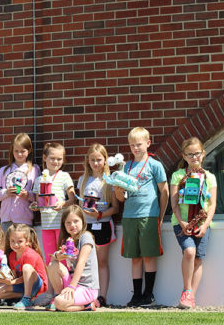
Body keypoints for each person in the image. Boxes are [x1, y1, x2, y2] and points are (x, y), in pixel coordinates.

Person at [114, 127, 169, 307]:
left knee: (148, 256)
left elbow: (164, 192)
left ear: (148, 143)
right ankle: (136, 295)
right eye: (132, 145)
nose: (135, 148)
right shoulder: (126, 167)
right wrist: (118, 191)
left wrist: (160, 216)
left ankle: (149, 294)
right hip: (130, 216)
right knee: (135, 257)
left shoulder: (155, 165)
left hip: (149, 215)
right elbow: (121, 197)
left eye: (138, 144)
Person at [169, 137, 217, 309]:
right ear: (184, 156)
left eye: (197, 154)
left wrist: (205, 225)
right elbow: (174, 203)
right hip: (181, 222)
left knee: (197, 259)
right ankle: (187, 290)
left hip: (202, 223)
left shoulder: (210, 177)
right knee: (189, 252)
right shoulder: (178, 176)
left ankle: (191, 297)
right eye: (190, 154)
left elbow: (212, 204)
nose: (194, 157)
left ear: (203, 154)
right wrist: (182, 223)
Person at [76, 143, 119, 307]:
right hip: (86, 227)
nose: (96, 163)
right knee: (85, 262)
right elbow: (80, 205)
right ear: (88, 161)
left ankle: (102, 296)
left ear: (105, 160)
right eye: (92, 160)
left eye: (99, 160)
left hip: (104, 225)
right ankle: (85, 295)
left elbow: (115, 208)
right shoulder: (82, 180)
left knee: (101, 262)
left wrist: (99, 214)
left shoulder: (109, 181)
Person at [47, 205, 99, 312]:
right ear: (64, 225)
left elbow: (81, 263)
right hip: (73, 283)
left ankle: (87, 305)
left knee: (59, 303)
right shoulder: (68, 240)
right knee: (52, 264)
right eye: (68, 223)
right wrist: (57, 256)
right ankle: (59, 295)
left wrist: (72, 287)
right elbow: (54, 257)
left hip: (87, 288)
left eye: (76, 221)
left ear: (83, 222)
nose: (72, 225)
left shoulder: (86, 237)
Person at [31, 142, 75, 264]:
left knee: (64, 258)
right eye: (52, 158)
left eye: (59, 159)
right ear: (45, 158)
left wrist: (62, 203)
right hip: (46, 226)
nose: (56, 162)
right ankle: (54, 283)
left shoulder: (64, 176)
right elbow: (37, 202)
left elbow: (72, 199)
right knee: (50, 259)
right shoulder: (39, 179)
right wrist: (34, 206)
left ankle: (66, 283)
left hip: (62, 225)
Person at [0, 133, 41, 233]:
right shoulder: (4, 170)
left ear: (29, 151)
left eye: (22, 151)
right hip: (6, 220)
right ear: (12, 151)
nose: (19, 154)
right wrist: (6, 192)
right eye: (16, 151)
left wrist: (27, 195)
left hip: (24, 220)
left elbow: (38, 197)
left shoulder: (34, 170)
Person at [0, 223, 48, 310]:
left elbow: (24, 276)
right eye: (12, 241)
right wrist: (7, 279)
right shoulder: (11, 255)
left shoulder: (30, 254)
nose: (16, 245)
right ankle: (29, 298)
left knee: (26, 267)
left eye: (20, 241)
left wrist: (12, 282)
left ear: (28, 241)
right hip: (22, 284)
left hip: (36, 285)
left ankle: (26, 298)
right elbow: (14, 275)